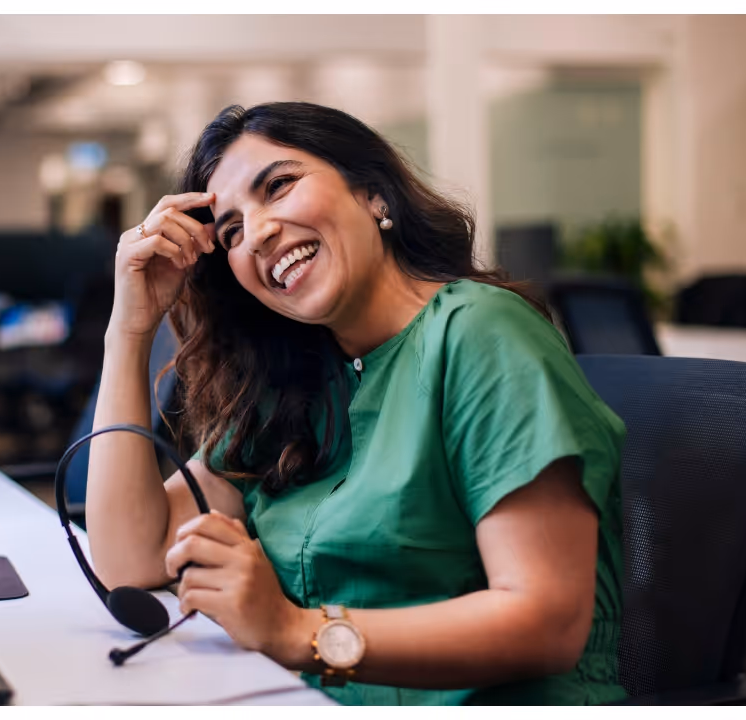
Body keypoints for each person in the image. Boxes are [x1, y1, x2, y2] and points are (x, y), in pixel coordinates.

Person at [85, 102, 626, 705]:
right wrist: (129, 330)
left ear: (373, 194)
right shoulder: (296, 382)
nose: (259, 232)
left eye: (279, 186)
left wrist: (295, 631)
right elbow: (130, 561)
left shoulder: (480, 333)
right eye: (232, 230)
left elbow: (546, 623)